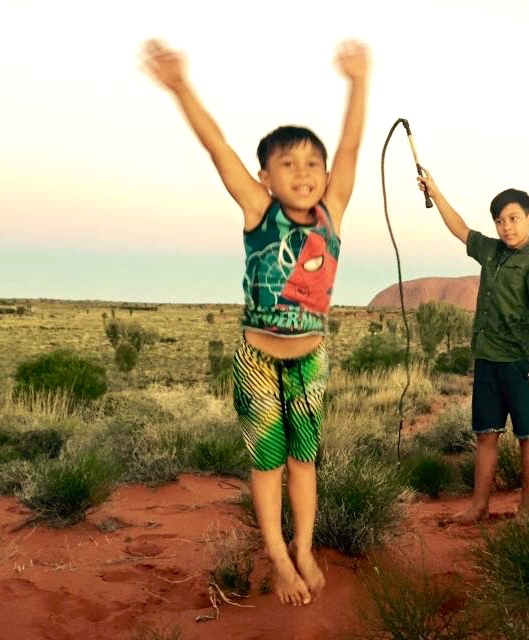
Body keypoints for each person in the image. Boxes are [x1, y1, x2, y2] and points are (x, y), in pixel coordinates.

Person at [141, 38, 369, 606]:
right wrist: (181, 88)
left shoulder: (332, 211)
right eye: (287, 164)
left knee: (304, 461)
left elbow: (351, 146)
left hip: (310, 358)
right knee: (268, 463)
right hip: (258, 360)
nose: (305, 172)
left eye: (311, 163)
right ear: (265, 176)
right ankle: (276, 556)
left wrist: (359, 82)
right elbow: (216, 147)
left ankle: (305, 546)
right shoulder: (257, 210)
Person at [417, 172, 529, 522]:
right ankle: (479, 507)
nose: (506, 227)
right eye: (499, 221)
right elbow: (459, 227)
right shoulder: (490, 251)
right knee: (486, 436)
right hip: (488, 359)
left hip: (521, 360)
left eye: (513, 219)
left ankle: (527, 510)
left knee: (528, 434)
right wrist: (434, 190)